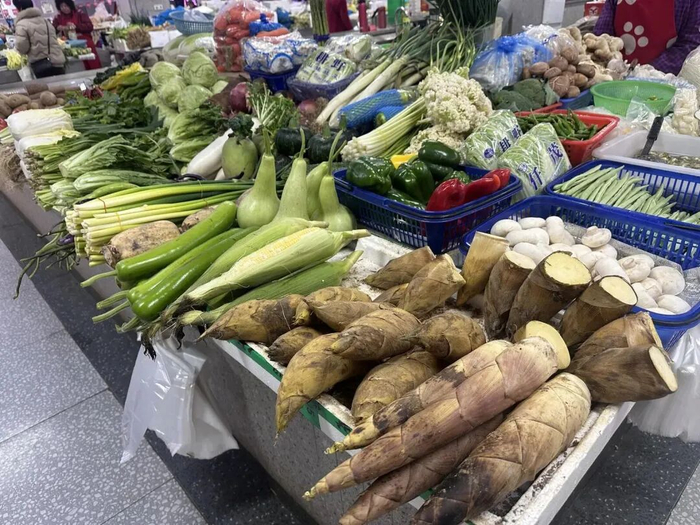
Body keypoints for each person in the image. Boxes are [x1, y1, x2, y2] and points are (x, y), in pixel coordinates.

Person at [594, 0, 700, 75]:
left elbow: (690, 45)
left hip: (667, 84)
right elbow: (601, 37)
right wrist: (611, 63)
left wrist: (647, 72)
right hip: (616, 78)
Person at [13, 0, 66, 78]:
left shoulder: (21, 24)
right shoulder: (45, 21)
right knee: (61, 84)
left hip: (41, 64)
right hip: (57, 61)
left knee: (46, 85)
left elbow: (22, 47)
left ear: (20, 8)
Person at [53, 0, 101, 70]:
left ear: (70, 5)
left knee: (89, 52)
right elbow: (53, 30)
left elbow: (90, 26)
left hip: (83, 39)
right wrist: (58, 28)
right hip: (67, 41)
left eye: (66, 6)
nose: (64, 8)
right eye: (62, 6)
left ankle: (95, 69)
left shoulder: (80, 14)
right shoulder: (58, 17)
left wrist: (76, 26)